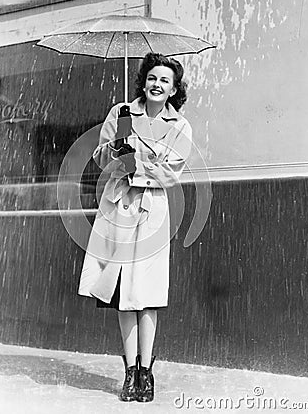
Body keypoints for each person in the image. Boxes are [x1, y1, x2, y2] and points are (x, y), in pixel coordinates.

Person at [78, 52, 192, 402]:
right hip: (117, 211)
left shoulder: (180, 127)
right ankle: (129, 372)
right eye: (152, 78)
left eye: (165, 81)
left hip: (152, 212)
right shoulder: (122, 113)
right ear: (143, 81)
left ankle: (147, 371)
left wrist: (136, 163)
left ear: (174, 90)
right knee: (121, 294)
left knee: (147, 294)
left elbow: (170, 173)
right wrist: (116, 148)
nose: (157, 85)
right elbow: (100, 159)